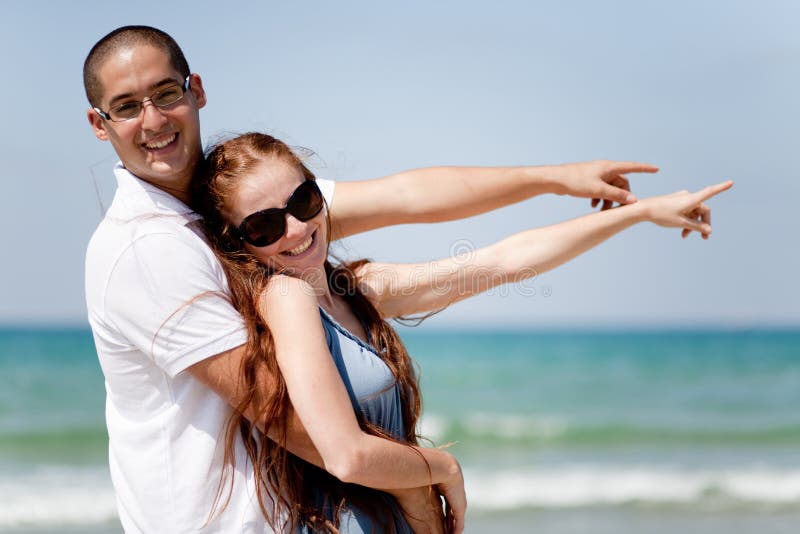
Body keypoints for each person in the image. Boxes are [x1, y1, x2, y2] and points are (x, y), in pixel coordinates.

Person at [83, 24, 664, 533]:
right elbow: (296, 423)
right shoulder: (149, 250)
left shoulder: (257, 206)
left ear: (197, 90)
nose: (153, 120)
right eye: (127, 106)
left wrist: (561, 179)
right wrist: (424, 483)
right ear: (99, 123)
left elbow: (412, 197)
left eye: (166, 94)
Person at [192, 132, 732, 533]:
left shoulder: (347, 288)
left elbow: (503, 261)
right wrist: (442, 469)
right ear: (239, 241)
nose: (295, 229)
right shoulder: (285, 299)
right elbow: (347, 456)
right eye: (264, 226)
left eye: (305, 202)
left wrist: (637, 215)